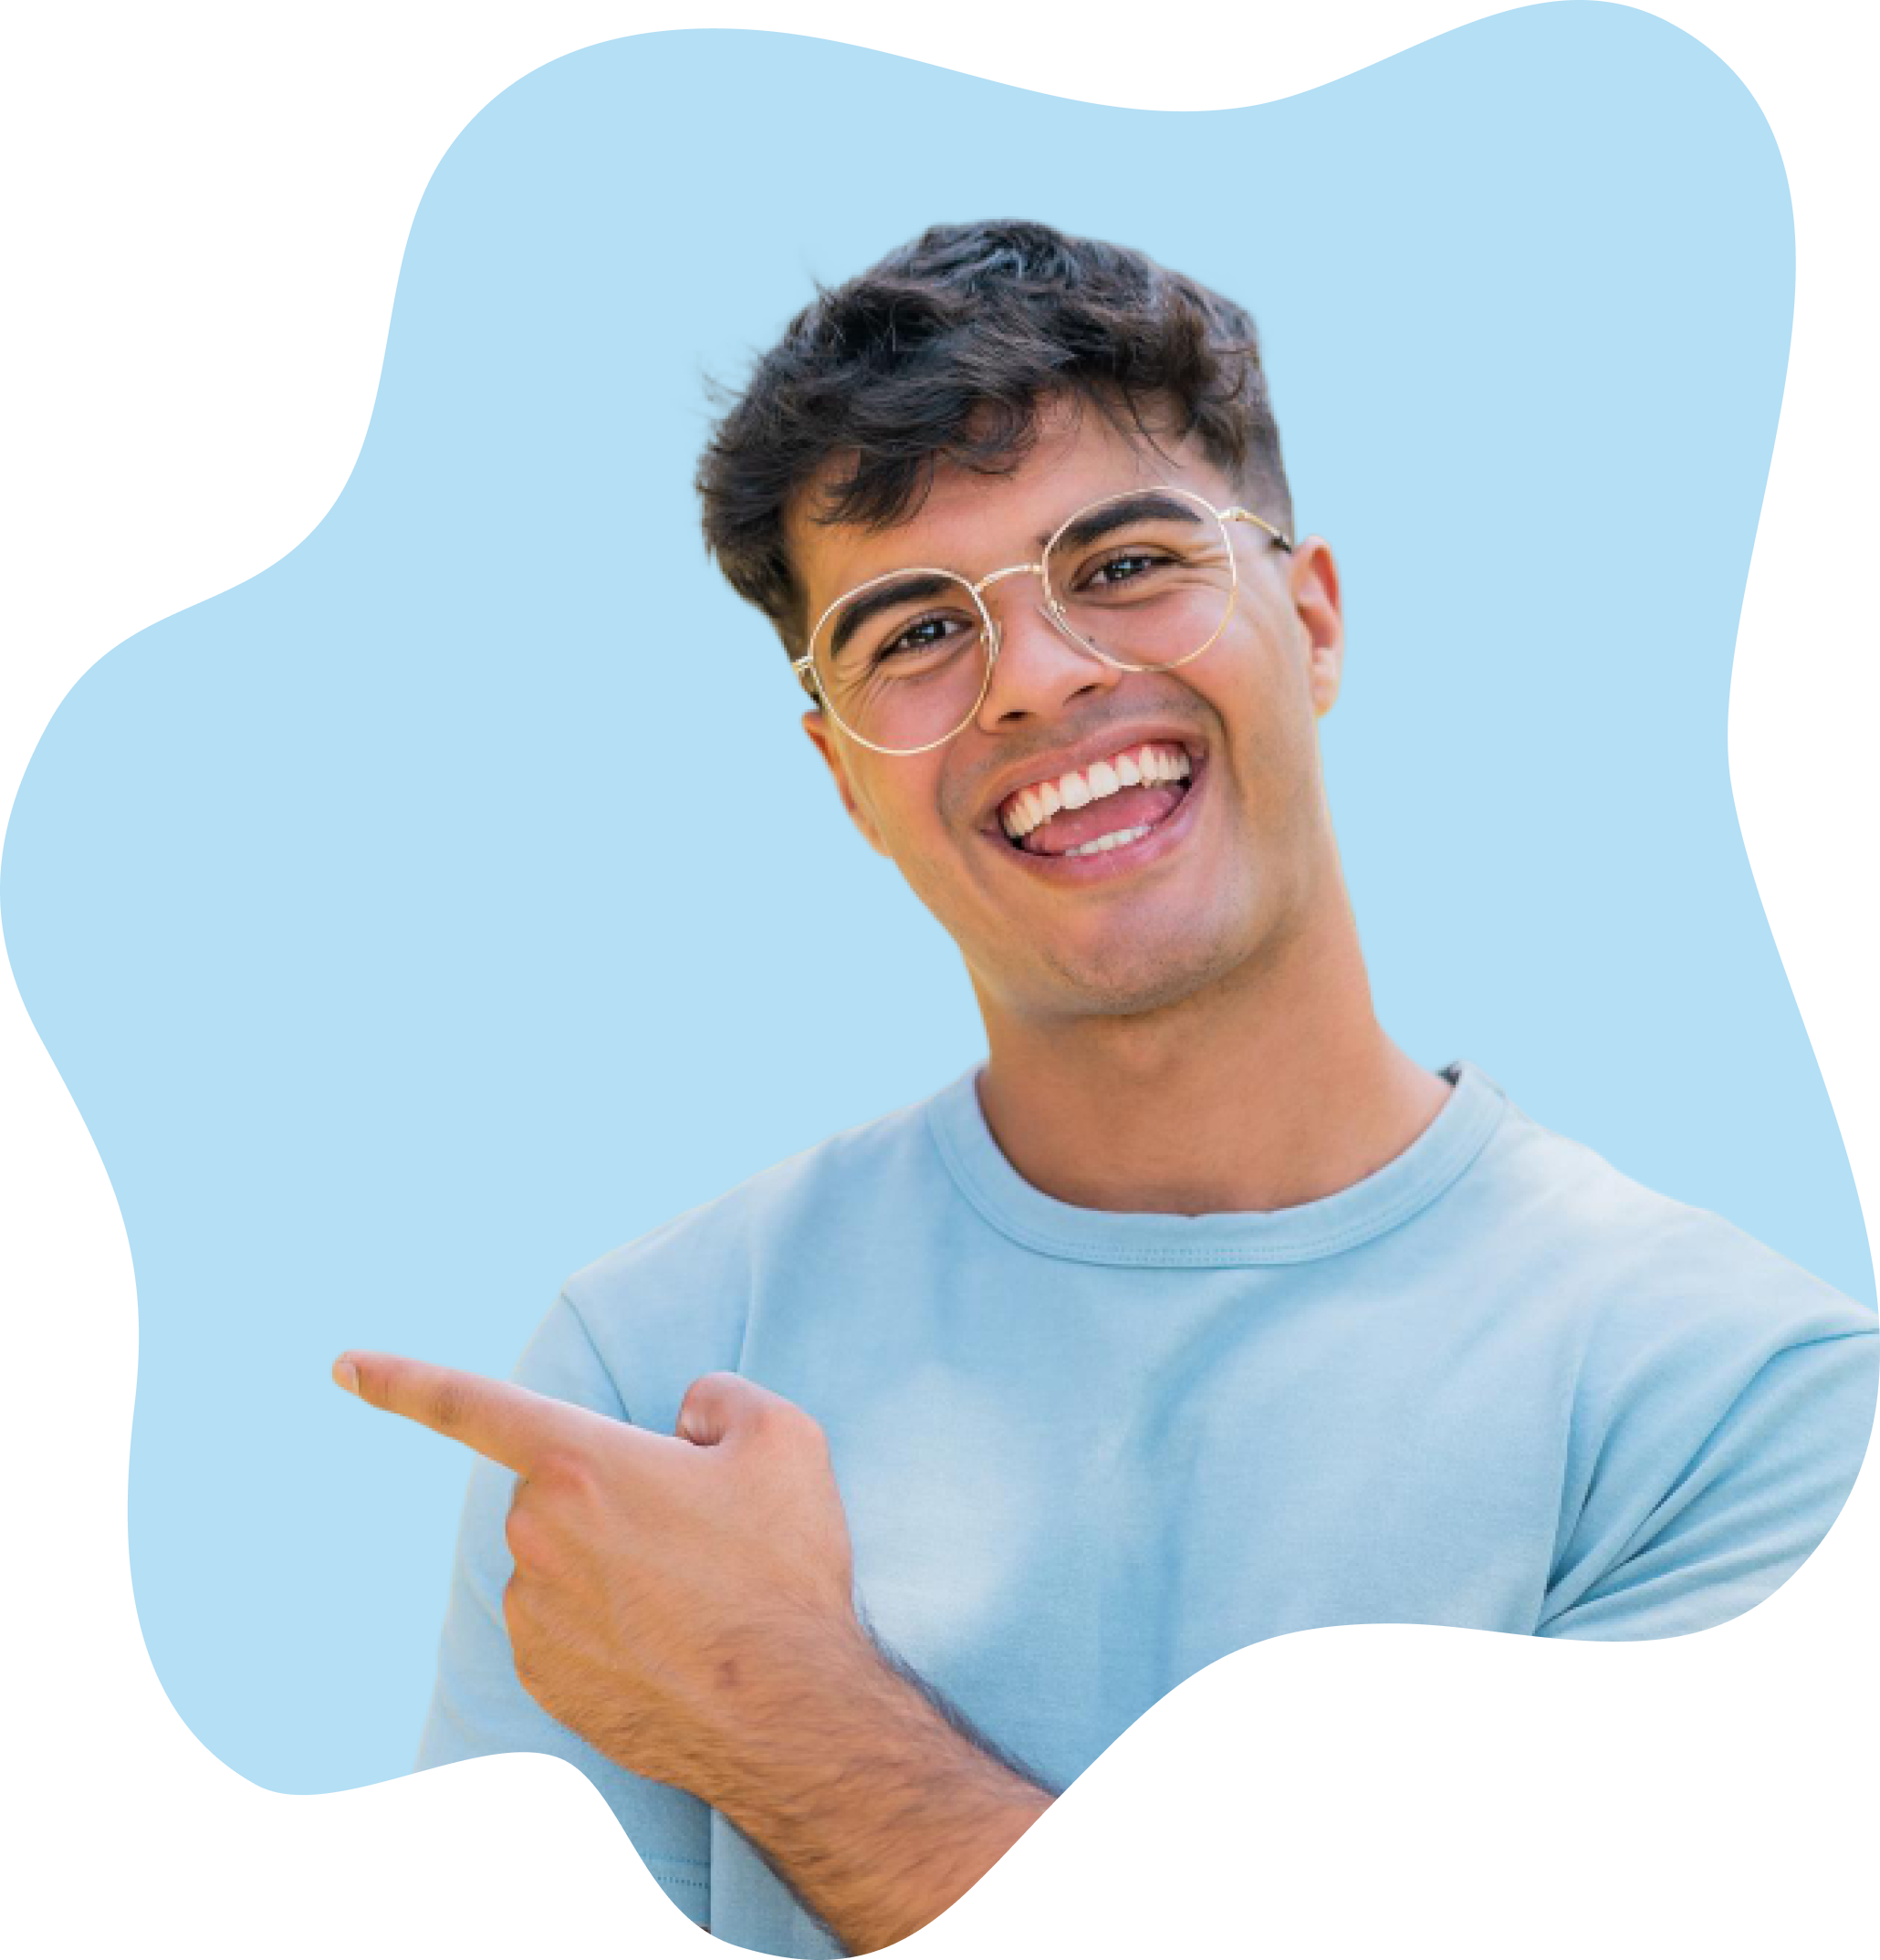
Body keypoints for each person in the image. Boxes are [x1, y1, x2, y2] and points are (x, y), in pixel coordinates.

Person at [413, 219, 1876, 1955]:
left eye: (1120, 564)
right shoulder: (647, 1377)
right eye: (910, 636)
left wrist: (787, 1712)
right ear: (840, 779)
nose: (1038, 677)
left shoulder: (1721, 1407)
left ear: (1312, 622)